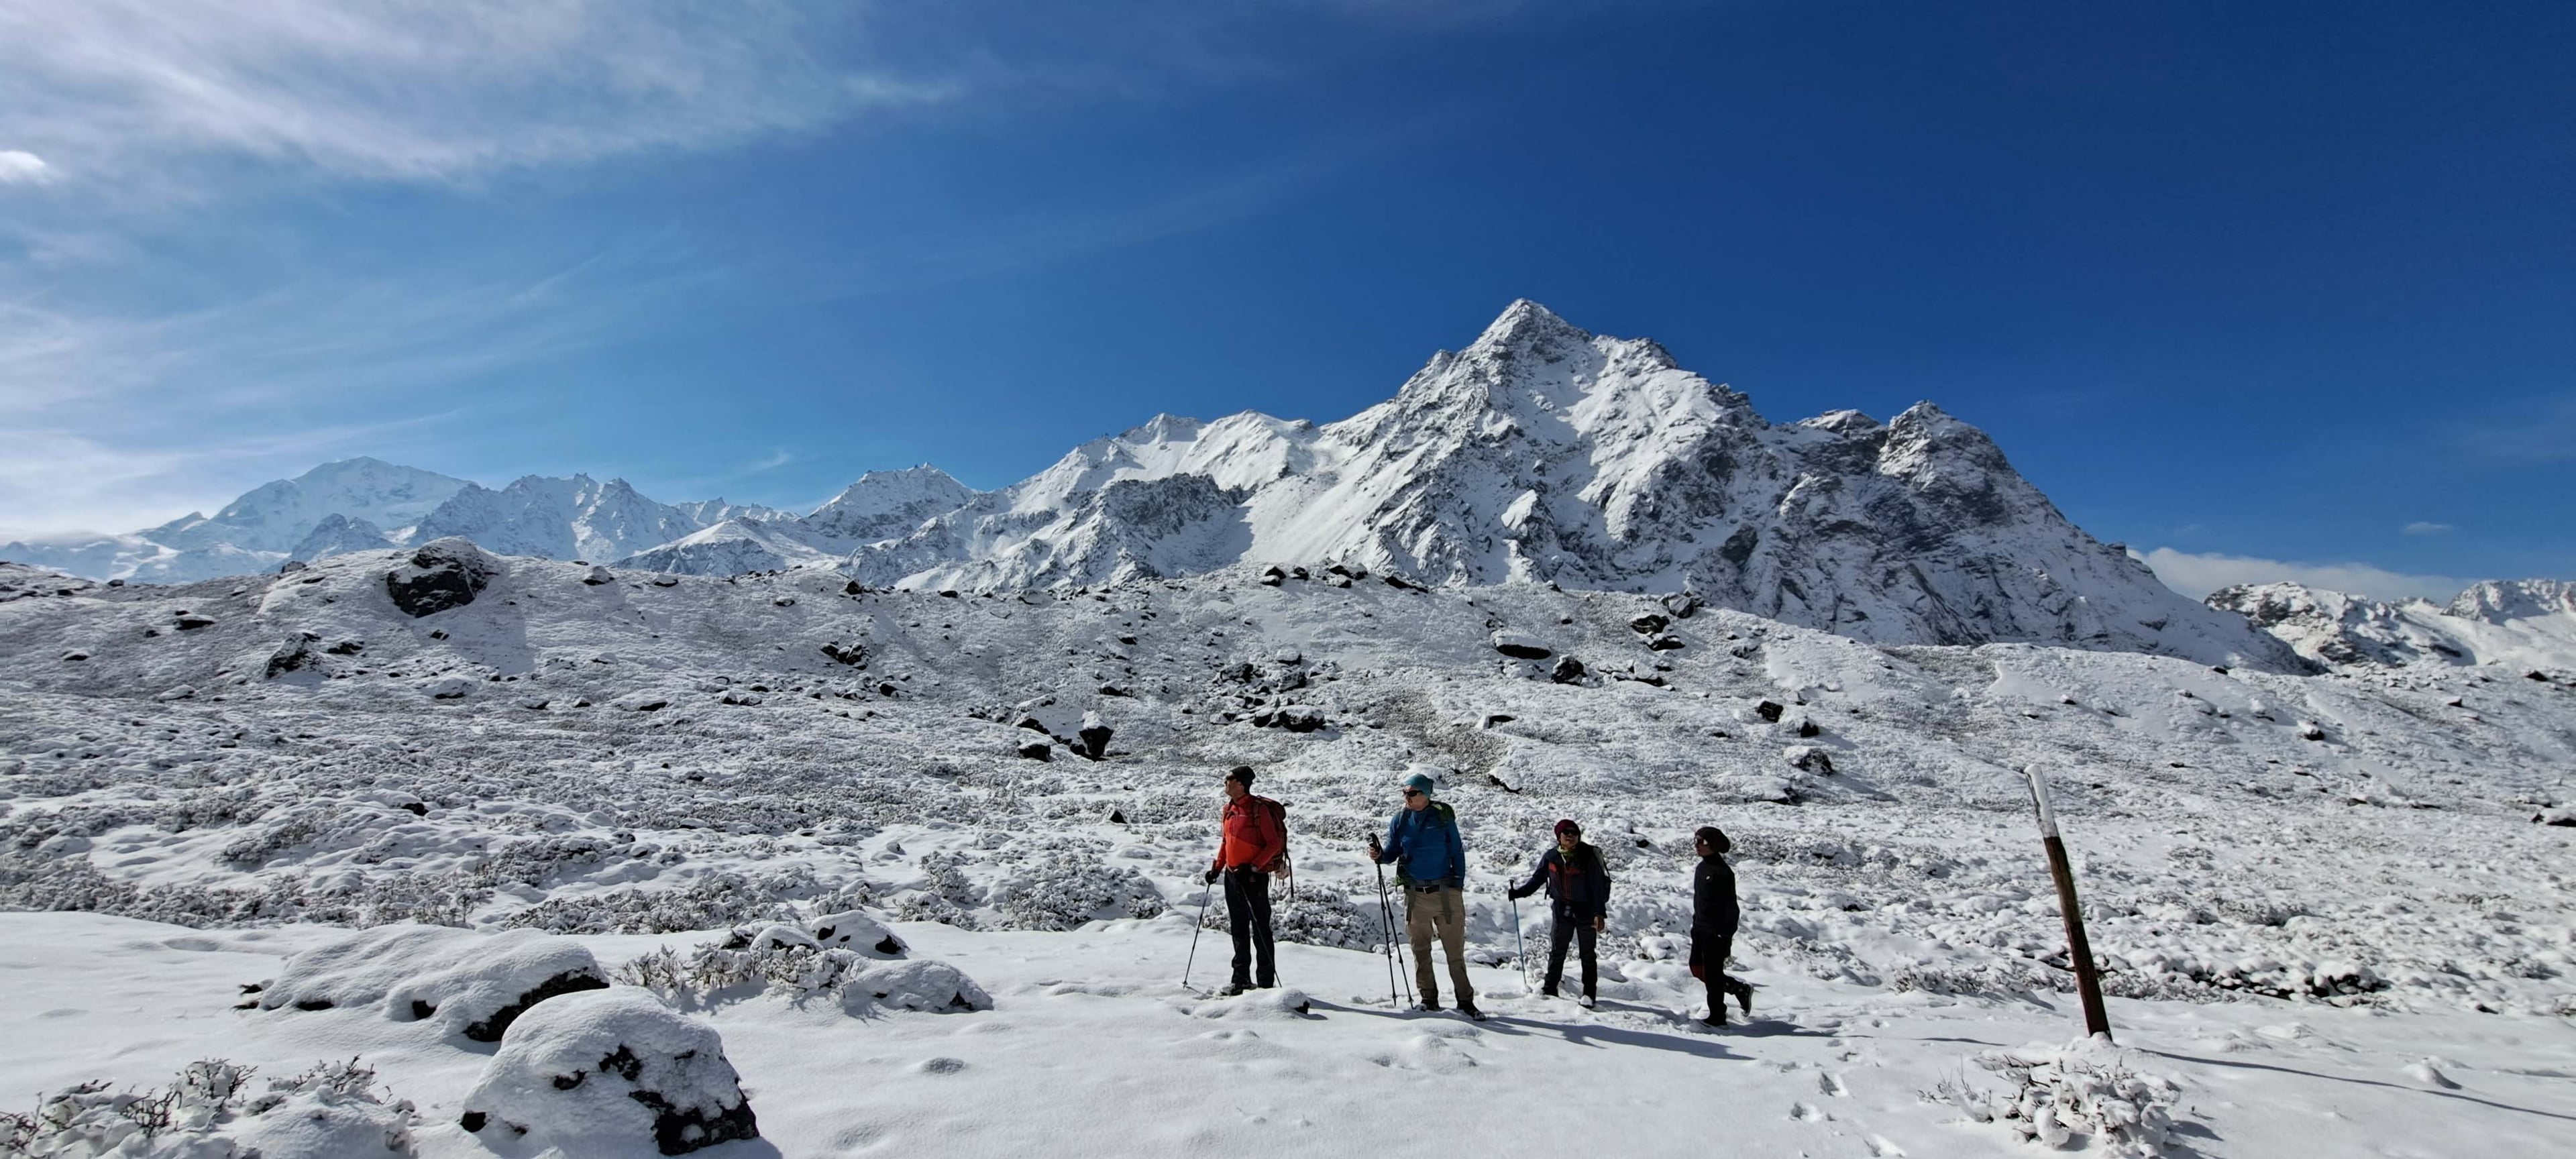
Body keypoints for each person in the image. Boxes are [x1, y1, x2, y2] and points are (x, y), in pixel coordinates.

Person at [1368, 771, 1480, 1018]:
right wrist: (1380, 856)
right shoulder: (1400, 820)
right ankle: (1428, 998)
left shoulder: (1442, 818)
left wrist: (1457, 885)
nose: (1406, 797)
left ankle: (1466, 1001)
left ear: (1426, 795)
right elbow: (1393, 852)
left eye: (1412, 793)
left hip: (1445, 892)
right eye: (1405, 793)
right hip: (1415, 893)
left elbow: (1457, 851)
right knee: (1420, 949)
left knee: (1454, 951)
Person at [1507, 819, 1611, 1005]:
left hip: (1586, 911)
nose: (1570, 836)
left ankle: (1589, 994)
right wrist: (1519, 893)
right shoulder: (1551, 857)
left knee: (1587, 954)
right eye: (1566, 833)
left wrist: (1599, 913)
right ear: (1559, 836)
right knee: (1557, 951)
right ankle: (1550, 988)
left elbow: (1597, 887)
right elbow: (1538, 879)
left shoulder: (1588, 856)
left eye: (1574, 833)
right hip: (1562, 909)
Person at [1203, 765, 1284, 995]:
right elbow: (1226, 842)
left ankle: (1266, 983)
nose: (1225, 782)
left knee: (1260, 929)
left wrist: (1255, 867)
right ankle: (1240, 980)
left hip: (1253, 879)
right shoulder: (1228, 809)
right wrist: (1217, 868)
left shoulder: (1258, 809)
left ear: (1241, 784)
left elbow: (1273, 844)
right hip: (1233, 876)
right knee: (1238, 928)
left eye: (1229, 779)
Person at [1689, 824, 1755, 1026]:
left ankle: (1717, 1017)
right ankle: (1738, 988)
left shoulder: (1723, 872)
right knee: (1697, 969)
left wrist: (1725, 934)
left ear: (1715, 845)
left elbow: (1731, 908)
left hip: (1716, 933)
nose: (1698, 846)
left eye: (1703, 842)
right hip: (1700, 929)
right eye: (1696, 841)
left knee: (1712, 974)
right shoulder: (1702, 868)